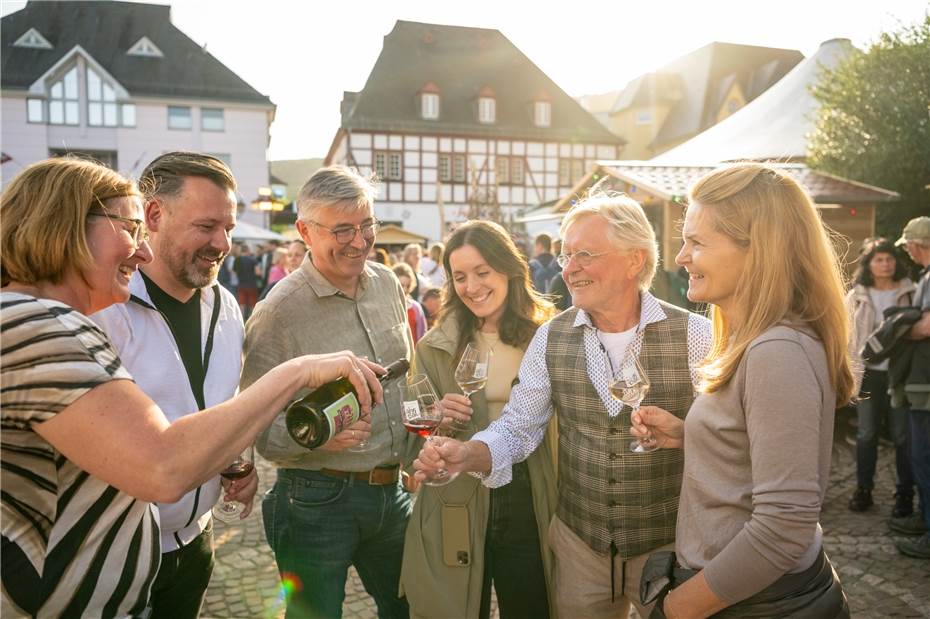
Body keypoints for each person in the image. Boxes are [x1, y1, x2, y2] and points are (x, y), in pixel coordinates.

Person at [0, 157, 382, 618]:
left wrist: (228, 457)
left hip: (151, 565)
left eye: (229, 226)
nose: (143, 253)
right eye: (130, 229)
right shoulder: (37, 325)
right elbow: (162, 465)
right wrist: (298, 372)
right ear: (64, 225)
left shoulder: (32, 319)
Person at [414, 192, 712, 618]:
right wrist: (467, 454)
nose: (568, 269)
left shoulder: (697, 335)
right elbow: (518, 426)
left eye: (584, 255)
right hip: (580, 550)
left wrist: (685, 435)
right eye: (565, 255)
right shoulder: (551, 337)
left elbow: (729, 439)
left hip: (670, 546)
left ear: (634, 260)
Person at [631, 164, 853, 617]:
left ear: (757, 251)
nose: (680, 257)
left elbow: (783, 528)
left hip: (745, 602)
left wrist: (676, 609)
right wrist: (694, 433)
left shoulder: (777, 350)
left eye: (697, 242)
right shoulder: (759, 339)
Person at [241, 165, 416, 618]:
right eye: (343, 230)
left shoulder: (388, 283)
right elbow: (256, 428)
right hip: (316, 500)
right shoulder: (278, 311)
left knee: (410, 610)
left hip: (392, 493)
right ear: (304, 231)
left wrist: (418, 449)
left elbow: (407, 379)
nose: (359, 241)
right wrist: (317, 436)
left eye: (366, 226)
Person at [90, 152, 248, 618]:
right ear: (154, 214)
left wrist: (236, 459)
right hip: (116, 554)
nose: (222, 242)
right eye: (207, 226)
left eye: (229, 229)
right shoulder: (103, 307)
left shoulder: (228, 306)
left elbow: (224, 406)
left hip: (198, 545)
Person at [400, 220, 559, 619]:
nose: (471, 287)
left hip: (531, 495)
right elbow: (408, 442)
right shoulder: (435, 345)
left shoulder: (550, 334)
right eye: (459, 277)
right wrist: (437, 419)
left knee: (530, 607)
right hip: (457, 500)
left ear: (508, 268)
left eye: (482, 272)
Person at [845, 238, 916, 517]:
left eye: (889, 259)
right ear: (869, 264)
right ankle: (864, 490)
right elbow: (847, 337)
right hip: (868, 375)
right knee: (866, 434)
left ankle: (904, 494)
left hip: (900, 375)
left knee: (902, 436)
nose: (885, 264)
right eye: (879, 260)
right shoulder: (857, 295)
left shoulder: (910, 292)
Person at [891, 216, 930, 559]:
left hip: (926, 385)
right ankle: (924, 519)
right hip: (922, 381)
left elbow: (926, 327)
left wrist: (899, 327)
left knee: (924, 457)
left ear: (917, 246)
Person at [392, 262, 428, 344]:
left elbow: (422, 333)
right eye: (401, 285)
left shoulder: (415, 307)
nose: (404, 290)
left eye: (407, 286)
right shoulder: (386, 306)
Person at [234, 243, 260, 319]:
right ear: (248, 250)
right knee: (252, 304)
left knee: (242, 304)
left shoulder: (237, 260)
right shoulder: (253, 260)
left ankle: (241, 319)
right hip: (252, 284)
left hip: (241, 284)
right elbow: (258, 272)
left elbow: (234, 272)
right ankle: (252, 319)